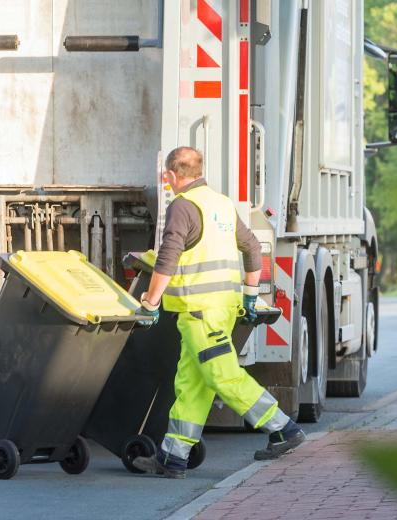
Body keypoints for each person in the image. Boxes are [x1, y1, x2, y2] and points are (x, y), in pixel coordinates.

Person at [133, 146, 305, 479]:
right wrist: (252, 295)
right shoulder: (222, 204)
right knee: (192, 381)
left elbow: (167, 258)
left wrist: (150, 302)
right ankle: (173, 457)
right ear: (199, 170)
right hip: (222, 308)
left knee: (222, 375)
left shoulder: (182, 206)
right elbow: (253, 248)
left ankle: (282, 428)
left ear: (170, 176)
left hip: (201, 312)